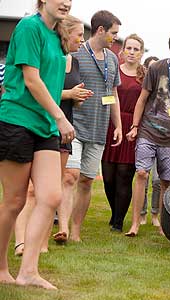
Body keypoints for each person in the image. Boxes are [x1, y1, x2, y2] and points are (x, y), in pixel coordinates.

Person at [0, 0, 73, 289]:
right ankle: (1, 267)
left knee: (51, 196)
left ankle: (28, 271)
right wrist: (61, 117)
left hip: (45, 126)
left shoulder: (58, 35)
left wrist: (54, 119)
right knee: (15, 200)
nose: (66, 2)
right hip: (17, 121)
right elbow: (31, 80)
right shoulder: (29, 27)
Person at [14, 15, 93, 249]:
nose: (82, 40)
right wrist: (68, 94)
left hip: (62, 128)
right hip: (37, 124)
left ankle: (41, 244)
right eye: (79, 35)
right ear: (65, 33)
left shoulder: (73, 62)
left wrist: (77, 99)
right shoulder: (47, 57)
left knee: (52, 191)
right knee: (29, 191)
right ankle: (20, 242)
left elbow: (64, 94)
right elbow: (36, 90)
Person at [125, 31, 170, 236]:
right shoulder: (157, 68)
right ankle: (135, 224)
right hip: (148, 131)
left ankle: (165, 225)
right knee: (141, 173)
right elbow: (142, 99)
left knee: (167, 182)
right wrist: (134, 126)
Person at [62, 10, 123, 242]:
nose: (116, 37)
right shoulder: (76, 54)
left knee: (87, 180)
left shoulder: (112, 58)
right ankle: (63, 228)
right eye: (113, 33)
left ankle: (76, 230)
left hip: (99, 130)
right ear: (100, 30)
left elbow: (113, 93)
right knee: (70, 176)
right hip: (74, 125)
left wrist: (117, 125)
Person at [101, 34, 145, 232]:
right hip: (111, 124)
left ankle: (118, 221)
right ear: (123, 50)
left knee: (124, 175)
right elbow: (107, 95)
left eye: (136, 49)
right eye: (129, 48)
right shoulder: (113, 71)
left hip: (132, 127)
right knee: (109, 176)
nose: (132, 52)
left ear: (141, 53)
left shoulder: (145, 75)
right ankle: (114, 212)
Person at [140, 55, 161, 226]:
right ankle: (141, 214)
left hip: (163, 138)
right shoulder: (143, 88)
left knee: (158, 180)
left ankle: (155, 214)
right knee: (143, 177)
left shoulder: (165, 89)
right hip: (145, 135)